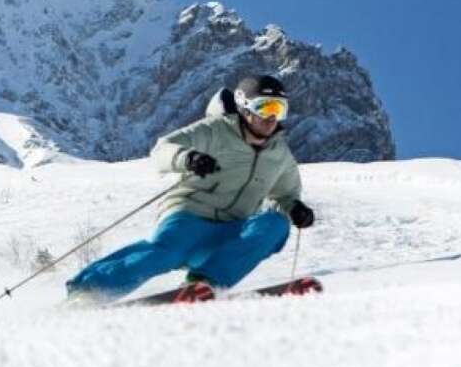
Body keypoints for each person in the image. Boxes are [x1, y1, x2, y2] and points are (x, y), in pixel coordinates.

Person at [66, 75, 315, 305]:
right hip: (189, 217)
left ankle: (205, 282)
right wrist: (188, 158)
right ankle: (87, 291)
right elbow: (163, 149)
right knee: (167, 253)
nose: (272, 117)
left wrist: (295, 208)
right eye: (265, 107)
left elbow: (286, 195)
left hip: (232, 230)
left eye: (279, 109)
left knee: (275, 224)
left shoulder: (280, 155)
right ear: (245, 106)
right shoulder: (216, 130)